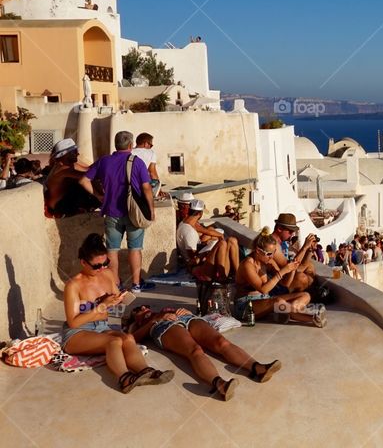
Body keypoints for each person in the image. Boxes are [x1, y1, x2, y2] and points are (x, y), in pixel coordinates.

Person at [61, 234, 174, 393]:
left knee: (128, 338)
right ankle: (125, 378)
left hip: (101, 326)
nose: (101, 269)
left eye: (105, 263)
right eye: (96, 266)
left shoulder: (106, 274)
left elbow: (115, 297)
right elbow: (73, 322)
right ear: (83, 262)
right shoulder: (73, 285)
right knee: (113, 342)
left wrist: (120, 298)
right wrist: (101, 306)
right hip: (77, 333)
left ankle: (146, 371)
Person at [124, 304, 281, 401]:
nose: (143, 308)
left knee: (221, 343)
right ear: (134, 318)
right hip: (163, 327)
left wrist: (185, 312)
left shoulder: (161, 310)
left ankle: (258, 368)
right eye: (138, 309)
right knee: (195, 350)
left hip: (187, 318)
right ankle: (220, 384)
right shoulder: (140, 323)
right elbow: (132, 338)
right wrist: (154, 319)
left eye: (145, 306)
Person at [79, 131, 156, 292]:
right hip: (133, 213)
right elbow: (147, 188)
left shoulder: (104, 161)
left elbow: (84, 180)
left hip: (111, 212)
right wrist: (151, 209)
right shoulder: (137, 162)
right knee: (135, 249)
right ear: (130, 145)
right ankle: (136, 284)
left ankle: (115, 284)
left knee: (112, 250)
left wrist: (99, 196)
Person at [235, 234, 326, 327]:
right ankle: (312, 318)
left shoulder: (268, 261)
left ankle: (285, 312)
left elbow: (285, 283)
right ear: (258, 251)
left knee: (305, 295)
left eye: (274, 252)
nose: (272, 256)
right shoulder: (247, 265)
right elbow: (263, 289)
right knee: (277, 301)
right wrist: (283, 271)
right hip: (246, 306)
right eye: (269, 254)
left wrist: (292, 268)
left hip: (265, 300)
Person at [176, 199, 240, 280]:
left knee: (232, 240)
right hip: (199, 267)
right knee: (222, 244)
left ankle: (238, 275)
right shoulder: (189, 232)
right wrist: (207, 250)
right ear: (200, 213)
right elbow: (194, 260)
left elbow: (204, 230)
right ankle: (223, 278)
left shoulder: (185, 223)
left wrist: (209, 242)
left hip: (203, 261)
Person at [44, 138, 100, 217]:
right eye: (75, 152)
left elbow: (88, 169)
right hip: (59, 205)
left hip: (65, 200)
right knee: (84, 184)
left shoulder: (69, 164)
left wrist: (103, 162)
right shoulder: (62, 168)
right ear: (65, 154)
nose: (78, 154)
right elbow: (87, 176)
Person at [268, 213, 318, 292]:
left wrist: (309, 250)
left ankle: (311, 293)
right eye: (290, 231)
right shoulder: (273, 245)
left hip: (283, 276)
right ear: (280, 229)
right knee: (302, 278)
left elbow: (295, 266)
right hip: (275, 284)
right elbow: (294, 268)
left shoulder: (283, 243)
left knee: (310, 266)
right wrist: (305, 247)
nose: (292, 235)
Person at [131, 133, 167, 199]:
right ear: (145, 143)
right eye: (151, 145)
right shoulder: (151, 153)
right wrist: (159, 190)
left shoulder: (129, 151)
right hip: (141, 188)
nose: (150, 147)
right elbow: (152, 173)